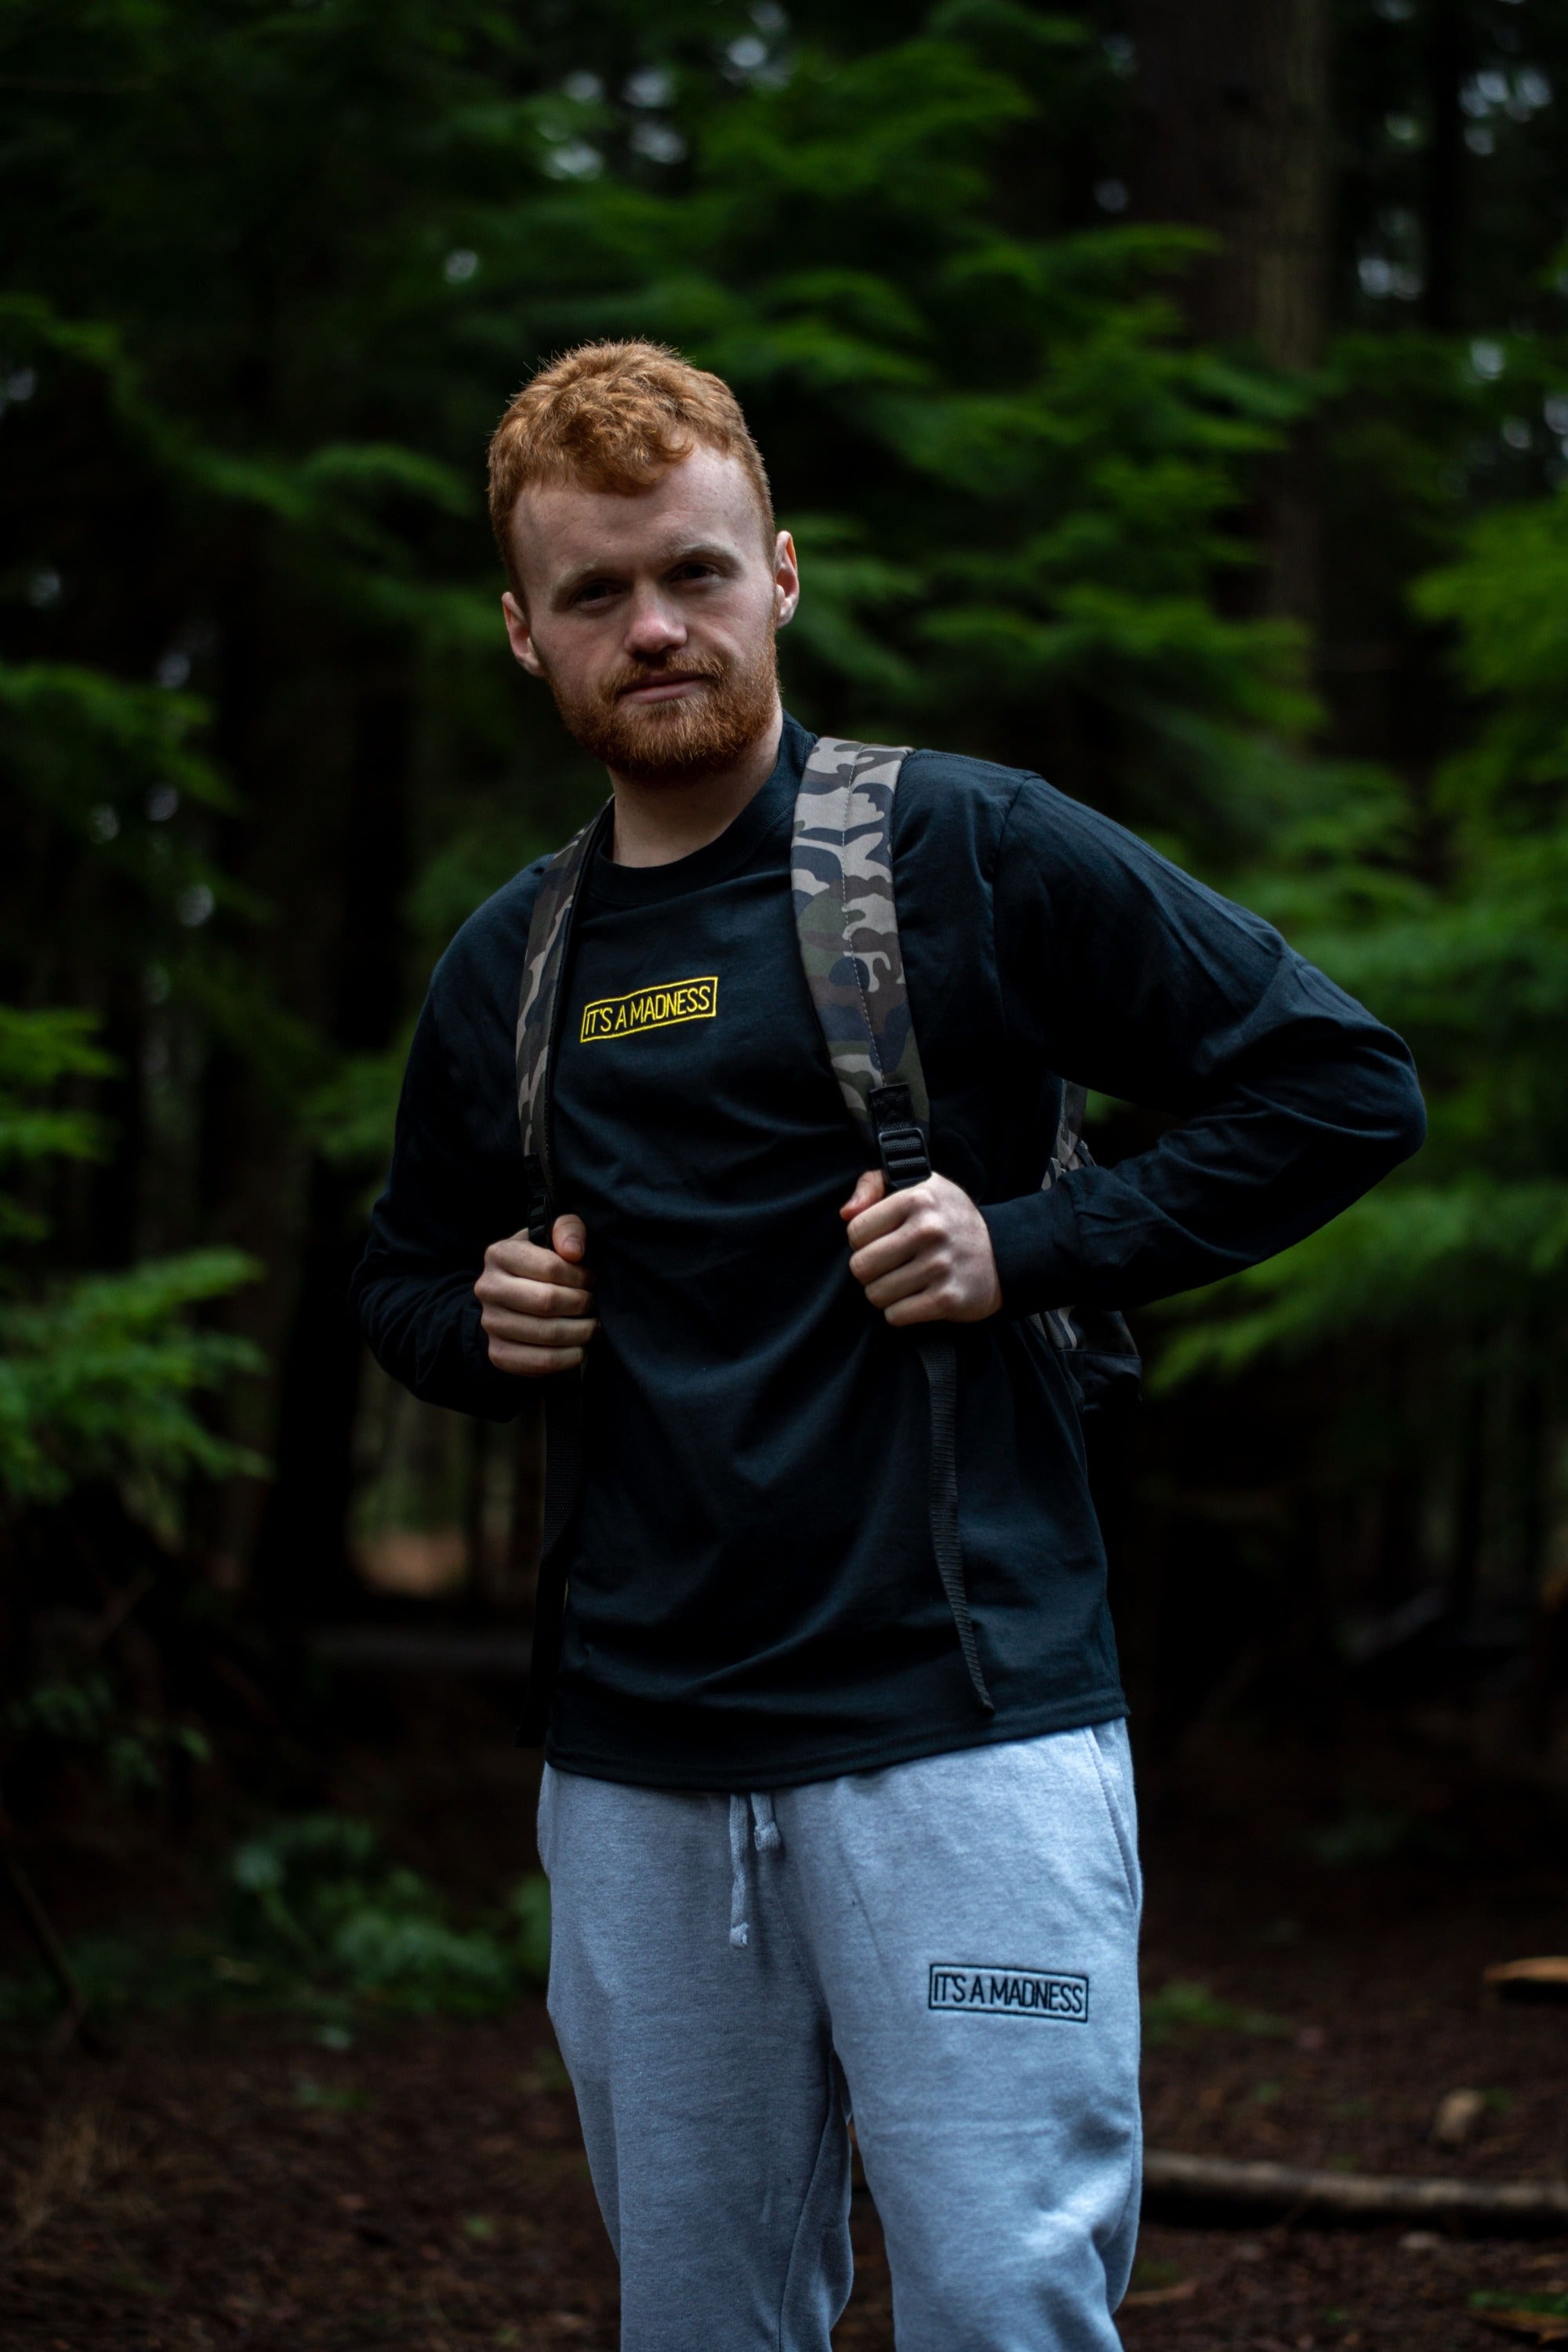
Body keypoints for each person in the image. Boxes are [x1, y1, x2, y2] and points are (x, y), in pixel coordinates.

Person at [352, 341, 1425, 2352]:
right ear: (524, 633)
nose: (652, 627)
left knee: (1001, 2301)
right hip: (637, 1768)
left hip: (966, 1736)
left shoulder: (962, 848)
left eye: (693, 572)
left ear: (782, 572)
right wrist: (475, 1325)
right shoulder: (512, 962)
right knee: (698, 2316)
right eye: (595, 593)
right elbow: (402, 1279)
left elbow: (1338, 1087)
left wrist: (1026, 1245)